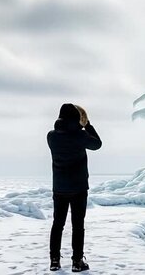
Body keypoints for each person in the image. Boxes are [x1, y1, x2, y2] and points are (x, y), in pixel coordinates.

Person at [47, 103, 102, 272]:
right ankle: (77, 262)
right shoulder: (80, 135)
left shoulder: (51, 136)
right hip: (78, 188)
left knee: (58, 224)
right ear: (76, 118)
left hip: (59, 188)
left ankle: (54, 261)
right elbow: (97, 144)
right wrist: (88, 126)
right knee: (78, 226)